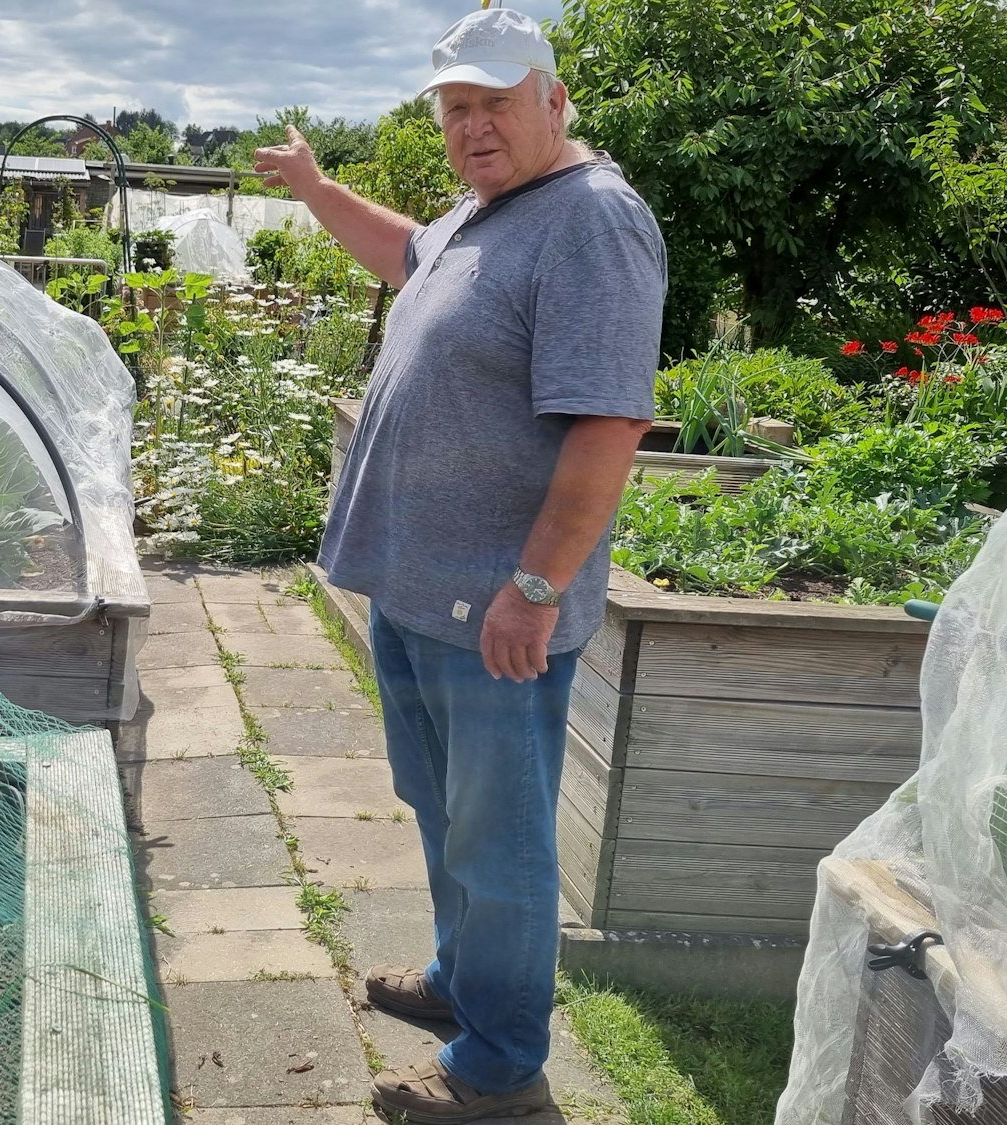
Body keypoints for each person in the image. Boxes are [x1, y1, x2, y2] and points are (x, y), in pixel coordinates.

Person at [254, 8, 666, 1123]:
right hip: (419, 592)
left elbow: (604, 427)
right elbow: (401, 249)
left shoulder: (590, 221)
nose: (472, 126)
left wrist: (532, 589)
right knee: (442, 814)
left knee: (500, 842)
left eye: (493, 102)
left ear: (553, 99)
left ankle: (499, 1071)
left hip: (495, 607)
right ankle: (457, 981)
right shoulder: (484, 215)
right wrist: (309, 183)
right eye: (454, 109)